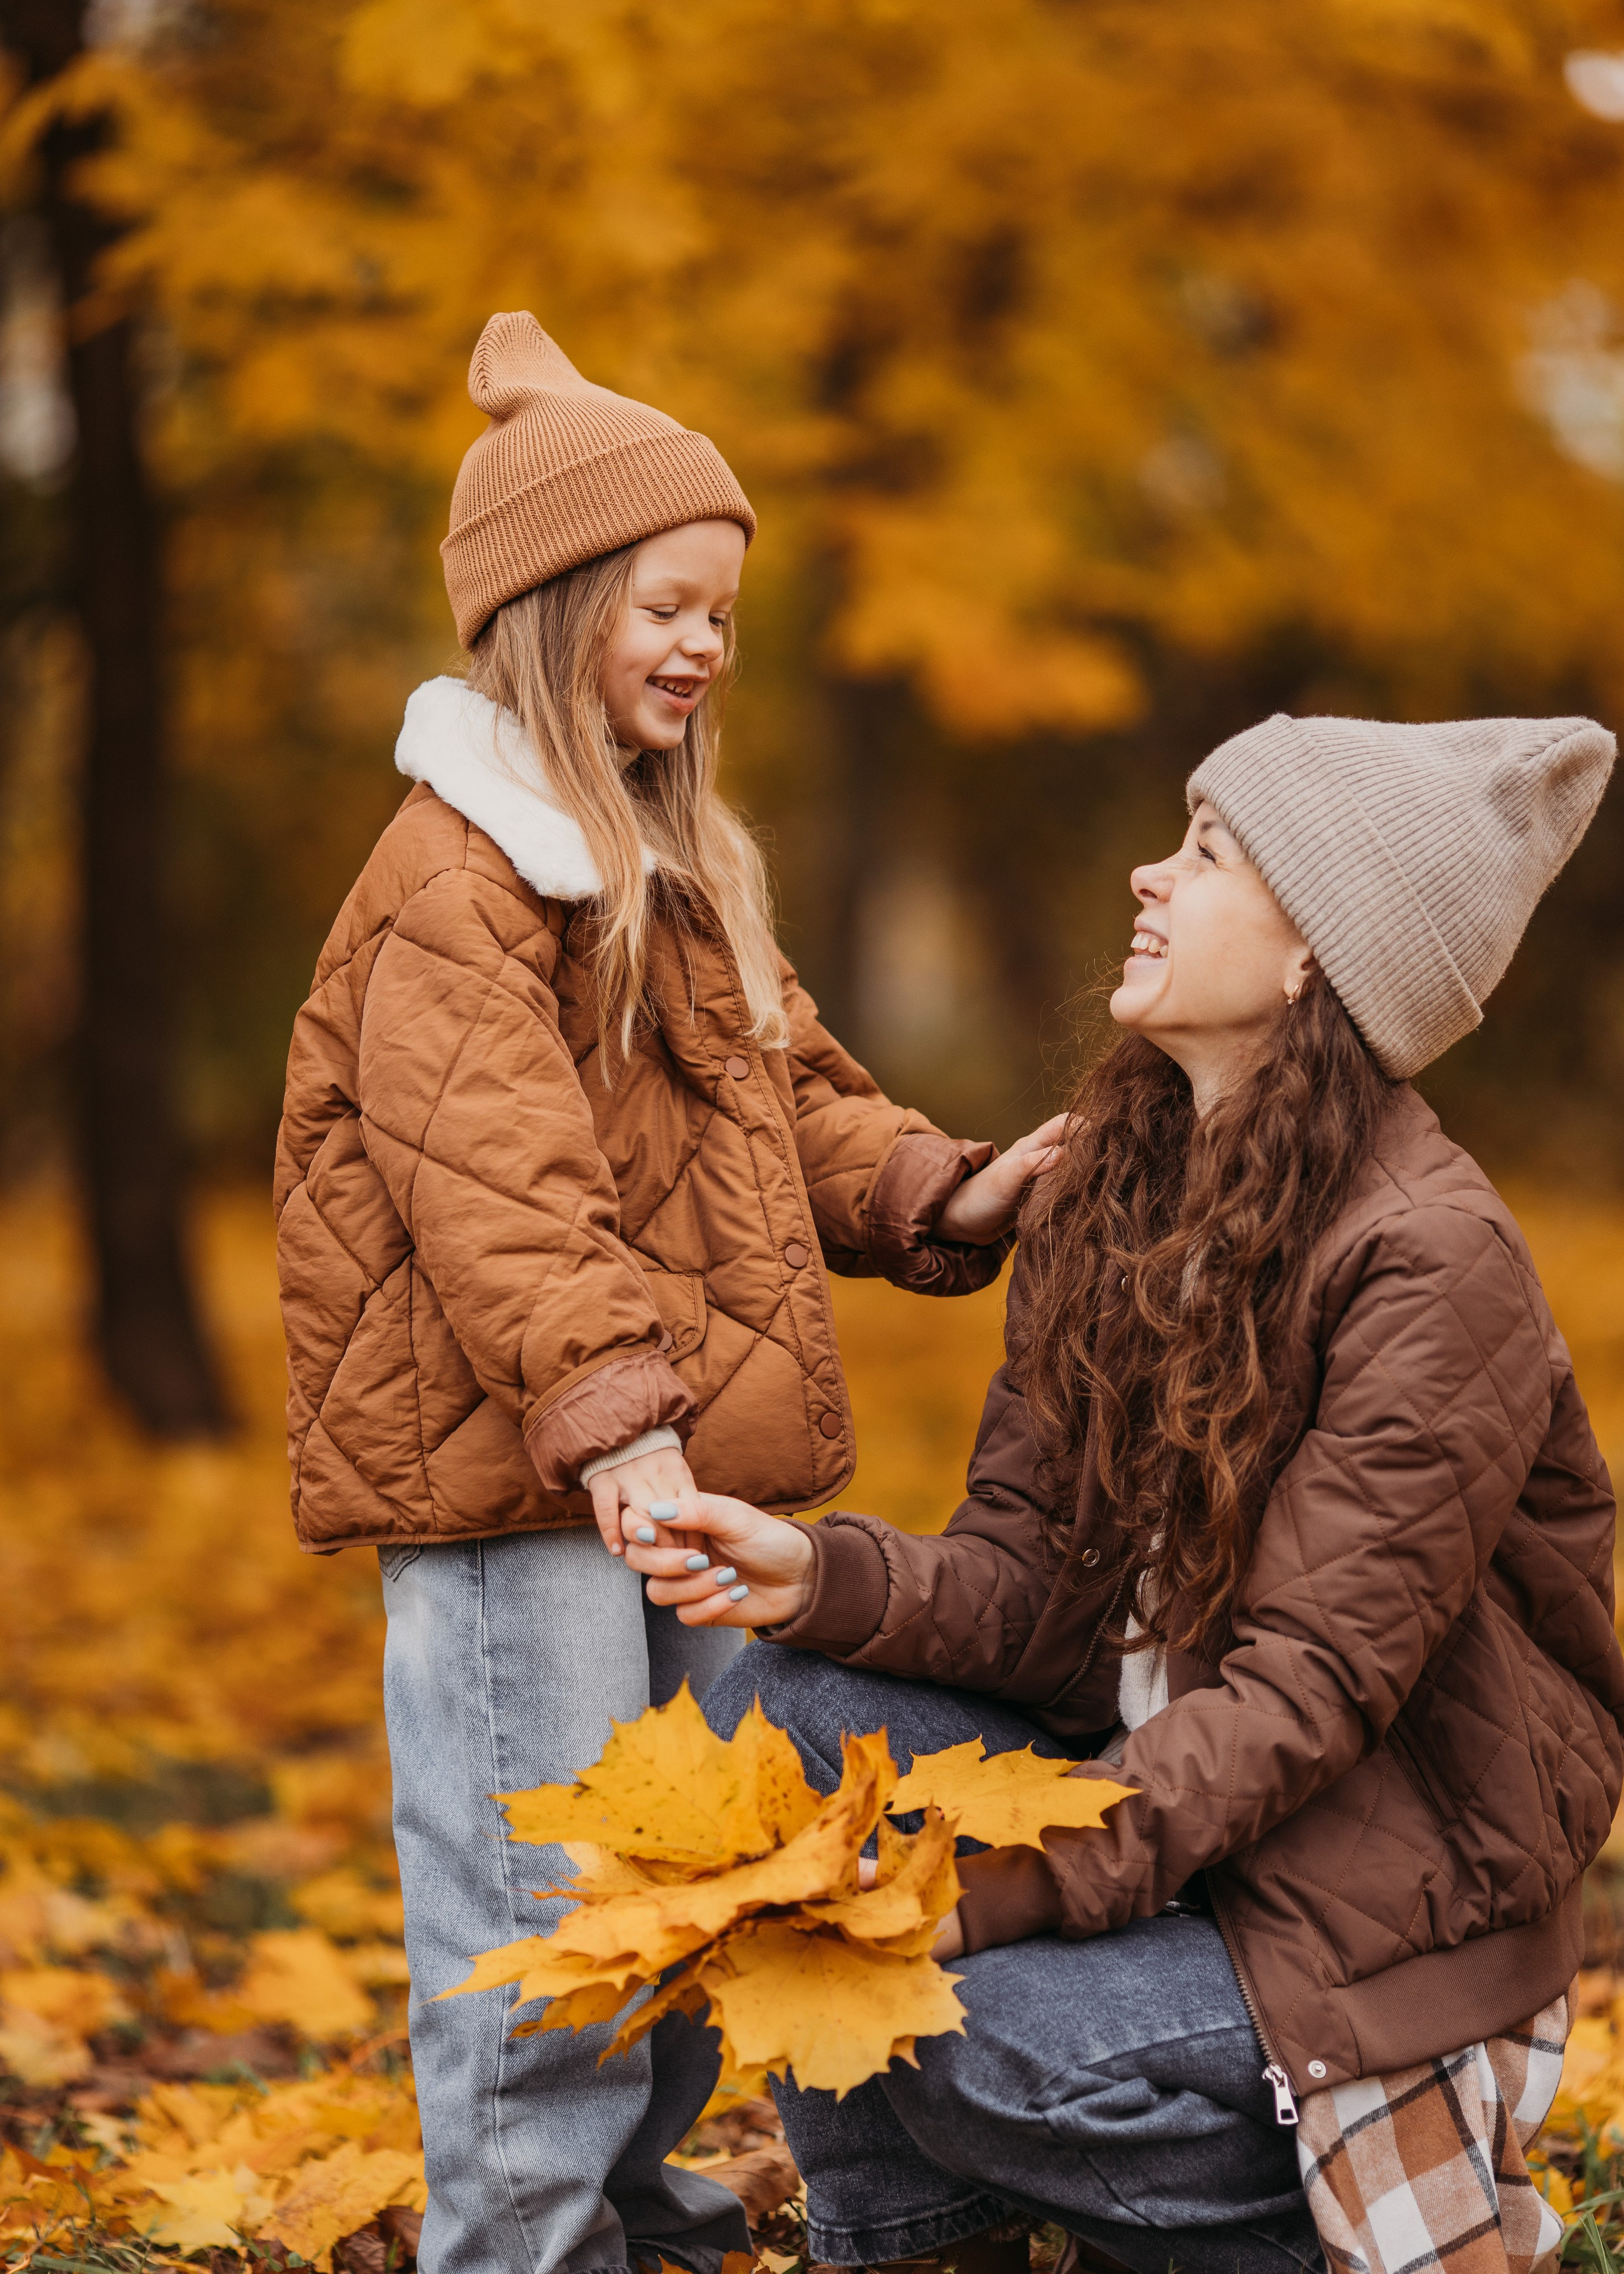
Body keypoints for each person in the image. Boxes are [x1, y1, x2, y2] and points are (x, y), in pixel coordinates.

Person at [622, 713, 1624, 2274]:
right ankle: (905, 2240)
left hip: (1348, 1902)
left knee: (962, 2026)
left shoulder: (1430, 1261)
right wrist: (814, 1577)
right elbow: (1032, 1588)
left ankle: (1286, 2226)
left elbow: (1301, 1697)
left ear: (1318, 959)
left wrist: (986, 1892)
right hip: (1155, 1795)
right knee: (781, 1712)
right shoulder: (1114, 1184)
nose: (1149, 877)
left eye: (1210, 854)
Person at [273, 312, 1061, 2274]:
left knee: (684, 1868)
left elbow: (785, 1105)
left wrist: (948, 1183)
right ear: (549, 604)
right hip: (520, 1478)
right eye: (669, 604)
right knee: (538, 1888)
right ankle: (526, 2243)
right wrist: (618, 1422)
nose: (708, 646)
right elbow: (499, 1195)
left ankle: (641, 2209)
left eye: (726, 612)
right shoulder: (451, 881)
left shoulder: (665, 868)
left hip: (657, 1462)